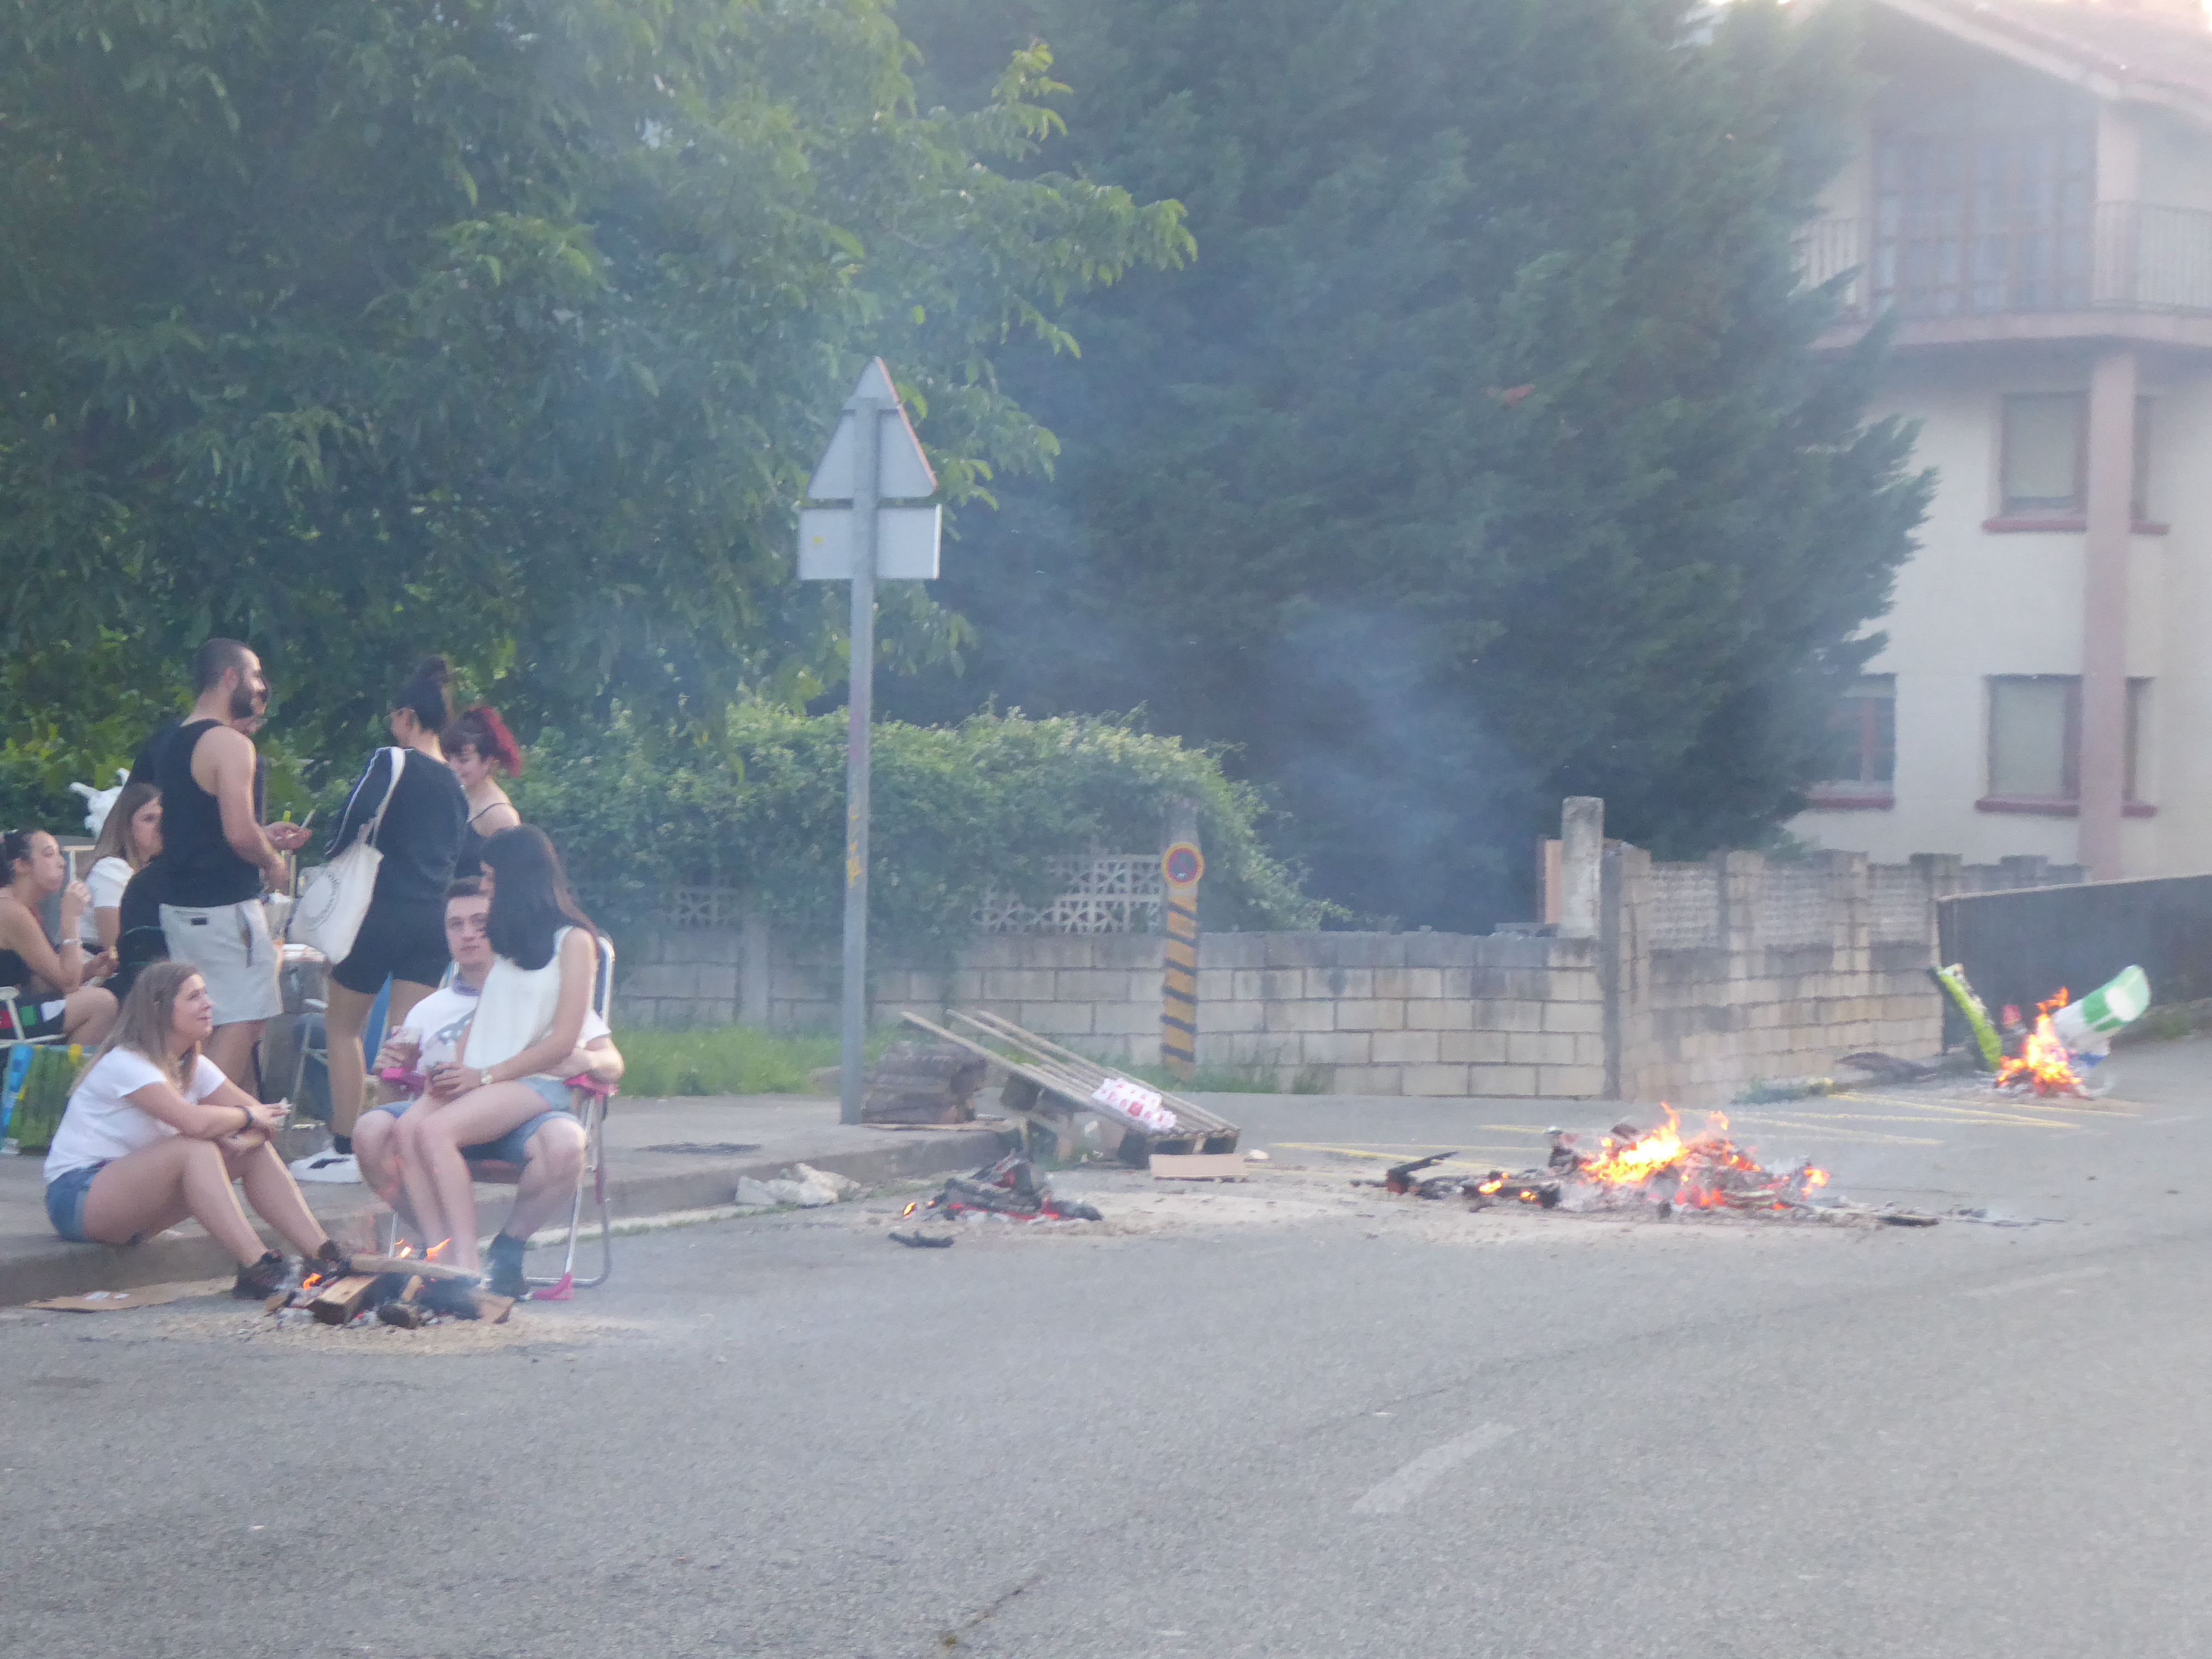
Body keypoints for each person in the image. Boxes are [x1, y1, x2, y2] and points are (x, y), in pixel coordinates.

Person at [356, 878, 622, 1296]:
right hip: (442, 1115)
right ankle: (440, 1247)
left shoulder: (537, 989)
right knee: (371, 1129)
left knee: (567, 1142)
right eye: (455, 925)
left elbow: (612, 1063)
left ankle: (508, 1251)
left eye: (480, 922)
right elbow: (404, 1093)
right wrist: (395, 1070)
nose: (468, 934)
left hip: (520, 1119)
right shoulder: (428, 1009)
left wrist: (587, 1061)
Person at [41, 962, 342, 1298]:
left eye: (206, 994)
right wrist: (245, 1118)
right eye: (194, 997)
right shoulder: (128, 1062)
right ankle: (258, 1267)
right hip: (78, 1197)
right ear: (159, 1008)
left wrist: (243, 1138)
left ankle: (324, 1257)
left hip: (135, 1202)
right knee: (195, 1148)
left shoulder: (193, 1066)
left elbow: (267, 1121)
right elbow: (196, 1122)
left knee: (251, 1151)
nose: (209, 1004)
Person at [392, 827, 601, 1281]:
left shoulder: (574, 941)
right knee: (406, 1128)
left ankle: (468, 1268)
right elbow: (485, 1014)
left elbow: (564, 1040)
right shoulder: (510, 940)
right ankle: (441, 1257)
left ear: (517, 876)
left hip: (533, 1079)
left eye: (490, 876)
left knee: (436, 1132)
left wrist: (485, 1075)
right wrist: (454, 1067)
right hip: (482, 1072)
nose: (485, 886)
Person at [295, 658, 470, 1186]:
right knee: (404, 1038)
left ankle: (347, 1143)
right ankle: (397, 1141)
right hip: (431, 920)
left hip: (378, 911)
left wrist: (326, 851)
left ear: (405, 717)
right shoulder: (456, 785)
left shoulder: (391, 760)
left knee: (343, 1026)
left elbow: (352, 816)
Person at [154, 639, 311, 1087]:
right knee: (247, 1015)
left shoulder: (174, 741)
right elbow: (239, 833)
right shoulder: (230, 744)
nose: (261, 686)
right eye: (255, 675)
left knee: (204, 1020)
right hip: (224, 908)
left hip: (181, 905)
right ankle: (204, 1115)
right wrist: (272, 861)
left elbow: (198, 826)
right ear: (230, 678)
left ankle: (197, 1112)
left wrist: (263, 834)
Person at [0, 829, 118, 1045]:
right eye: (49, 854)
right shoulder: (9, 910)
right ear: (21, 865)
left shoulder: (23, 909)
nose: (62, 862)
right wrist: (70, 918)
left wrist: (90, 970)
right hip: (4, 1017)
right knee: (103, 1003)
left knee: (95, 998)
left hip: (9, 1011)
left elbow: (43, 986)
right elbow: (67, 984)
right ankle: (62, 1067)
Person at [81, 779, 162, 950]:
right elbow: (115, 947)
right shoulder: (110, 869)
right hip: (95, 962)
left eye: (164, 819)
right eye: (149, 819)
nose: (160, 827)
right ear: (126, 827)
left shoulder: (156, 869)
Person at [445, 705, 523, 879]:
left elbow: (512, 880)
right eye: (449, 758)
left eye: (463, 760)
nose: (453, 767)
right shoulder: (458, 799)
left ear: (487, 762)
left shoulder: (501, 816)